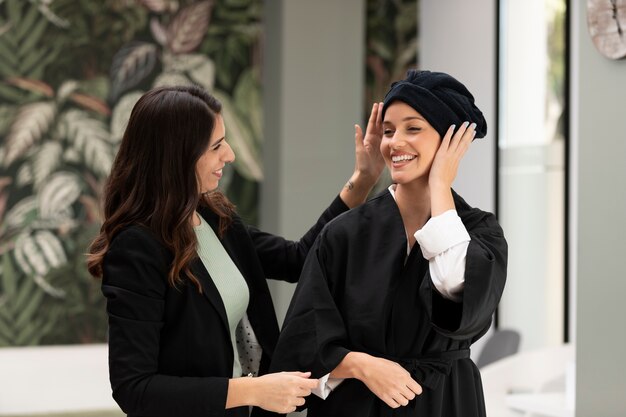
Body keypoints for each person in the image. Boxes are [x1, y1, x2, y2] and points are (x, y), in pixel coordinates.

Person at [86, 85, 385, 417]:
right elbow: (135, 389)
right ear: (178, 155)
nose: (229, 155)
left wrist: (362, 180)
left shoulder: (214, 218)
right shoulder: (137, 248)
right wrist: (253, 390)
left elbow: (298, 259)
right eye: (216, 146)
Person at [269, 70, 508, 417]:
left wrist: (441, 186)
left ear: (450, 140)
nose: (394, 143)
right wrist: (362, 365)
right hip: (357, 405)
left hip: (445, 403)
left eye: (413, 128)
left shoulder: (481, 232)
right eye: (389, 130)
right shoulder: (344, 234)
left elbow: (462, 305)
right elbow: (301, 343)